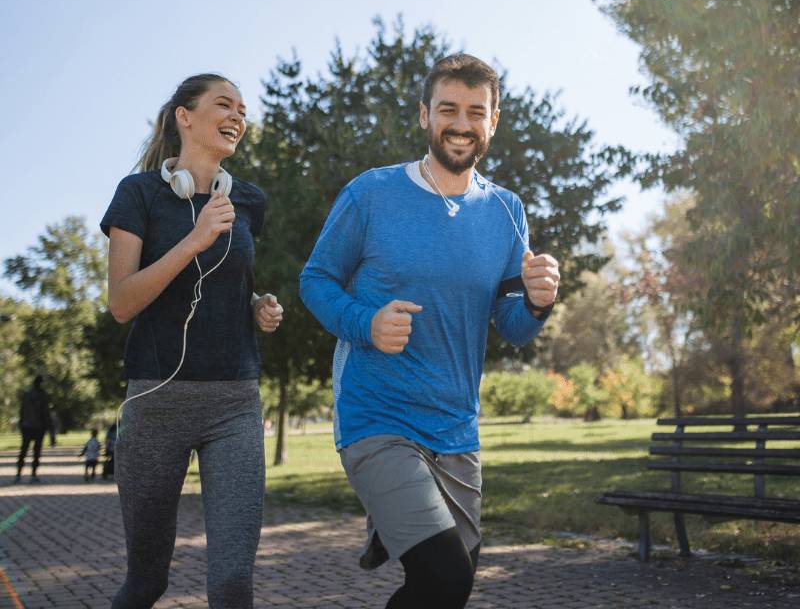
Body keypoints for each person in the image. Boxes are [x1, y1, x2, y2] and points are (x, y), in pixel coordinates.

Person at [300, 54, 560, 609]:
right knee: (445, 578)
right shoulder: (371, 193)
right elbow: (316, 279)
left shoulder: (507, 211)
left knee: (441, 590)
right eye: (448, 109)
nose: (461, 124)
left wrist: (538, 303)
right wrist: (365, 323)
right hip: (378, 415)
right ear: (424, 115)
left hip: (456, 429)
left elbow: (511, 326)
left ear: (493, 121)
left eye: (475, 112)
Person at [101, 73, 284, 609]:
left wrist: (257, 306)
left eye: (243, 110)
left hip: (235, 403)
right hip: (157, 400)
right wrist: (195, 238)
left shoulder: (247, 200)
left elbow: (229, 280)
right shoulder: (138, 194)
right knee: (146, 581)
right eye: (224, 105)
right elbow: (121, 302)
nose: (237, 117)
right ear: (185, 116)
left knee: (231, 584)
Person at [15, 375, 54, 484]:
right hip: (38, 427)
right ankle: (33, 474)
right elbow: (45, 413)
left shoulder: (27, 395)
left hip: (27, 426)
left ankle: (19, 473)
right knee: (36, 451)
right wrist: (49, 428)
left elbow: (22, 410)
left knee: (24, 450)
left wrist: (22, 423)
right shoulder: (42, 396)